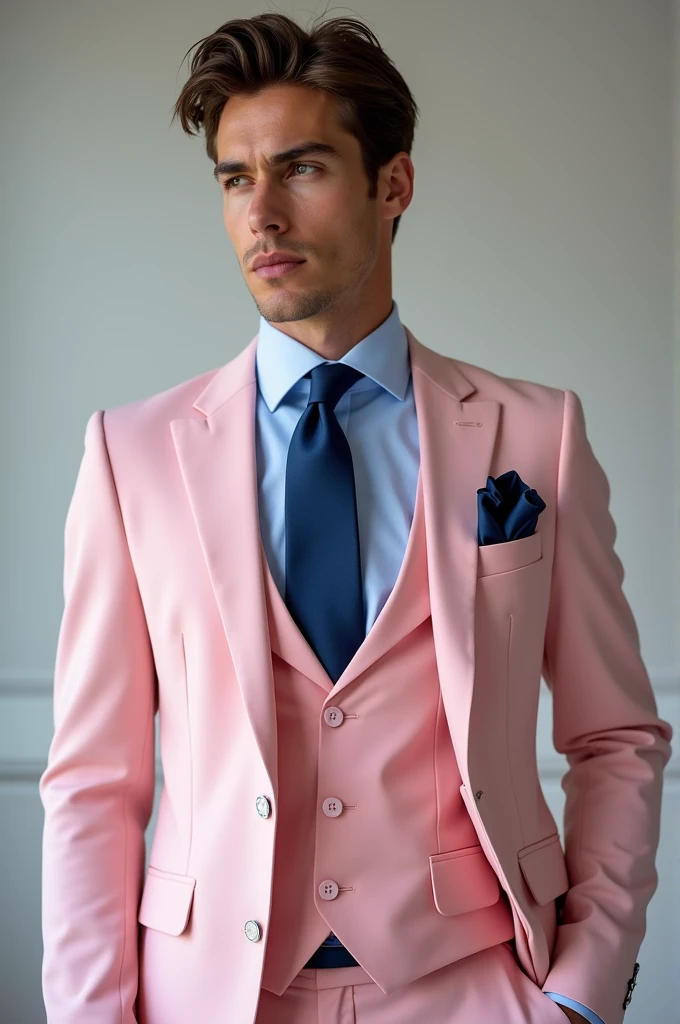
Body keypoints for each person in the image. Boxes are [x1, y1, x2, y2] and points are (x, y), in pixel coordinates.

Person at [39, 12, 672, 1024]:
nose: (264, 216)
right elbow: (90, 783)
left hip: (472, 984)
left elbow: (615, 733)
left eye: (301, 169)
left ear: (392, 186)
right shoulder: (131, 453)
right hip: (210, 995)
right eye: (235, 178)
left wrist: (582, 989)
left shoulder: (533, 434)